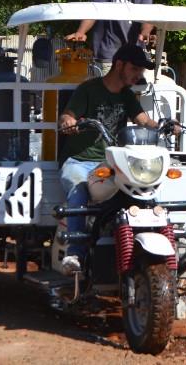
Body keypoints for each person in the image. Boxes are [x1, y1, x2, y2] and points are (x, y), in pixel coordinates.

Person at [57, 43, 174, 275]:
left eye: (141, 69)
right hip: (80, 161)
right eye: (135, 68)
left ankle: (164, 247)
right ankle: (75, 254)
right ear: (119, 64)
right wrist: (68, 122)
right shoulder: (88, 89)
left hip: (112, 163)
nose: (139, 73)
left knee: (147, 189)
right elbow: (67, 114)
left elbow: (144, 120)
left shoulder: (127, 96)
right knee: (80, 188)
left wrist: (165, 126)